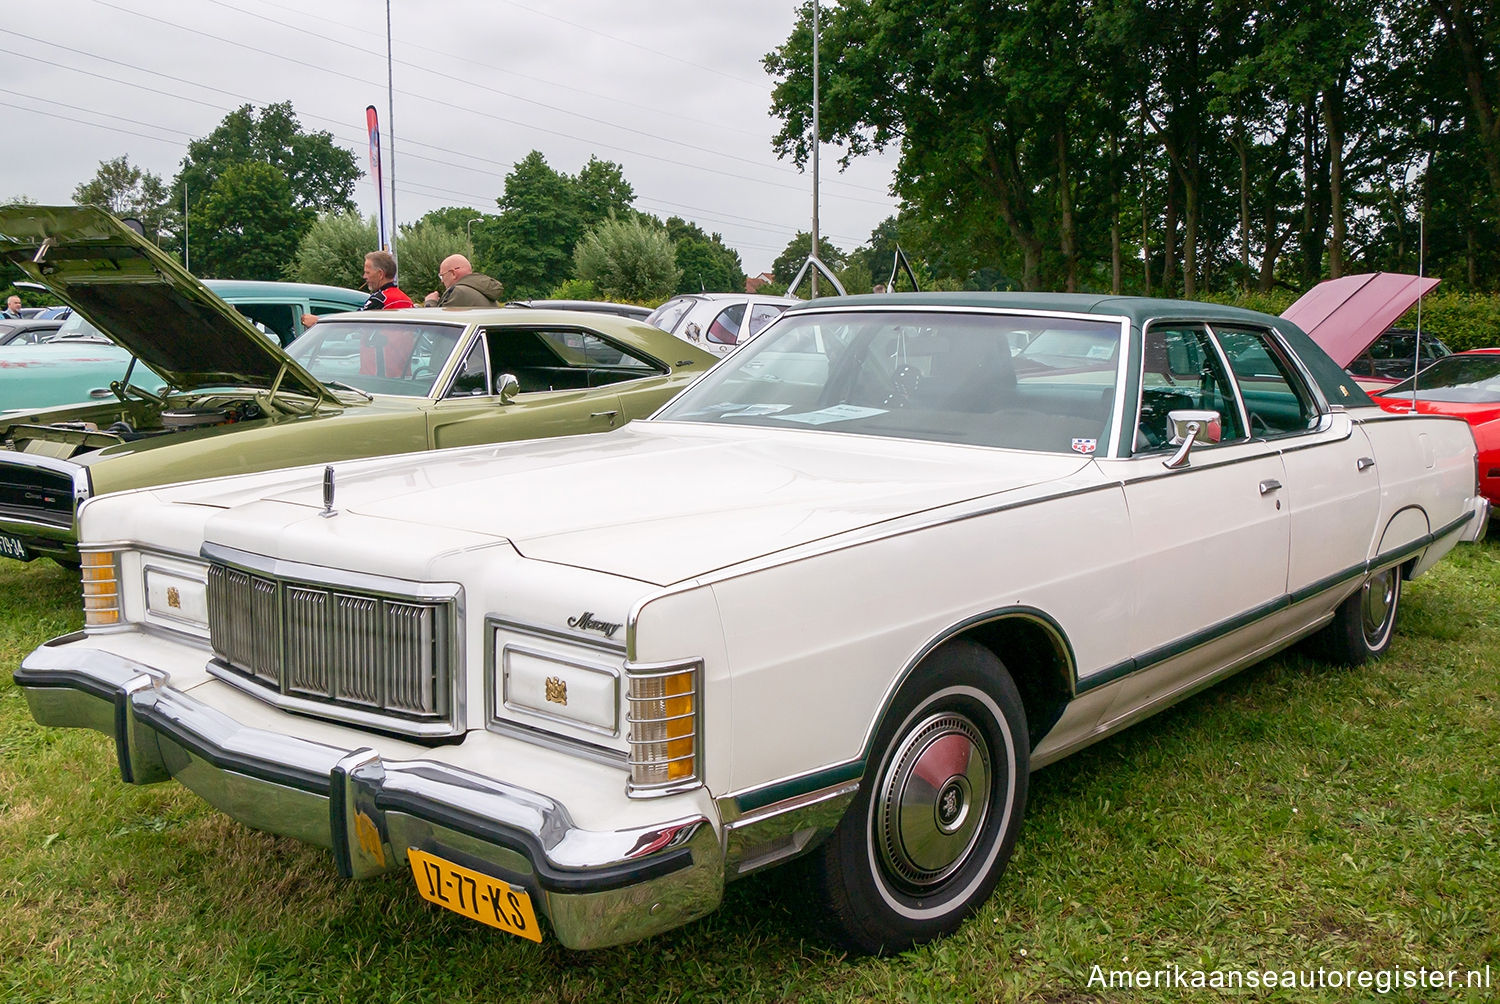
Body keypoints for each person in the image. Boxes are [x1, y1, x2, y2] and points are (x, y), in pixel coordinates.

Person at [302, 251, 412, 328]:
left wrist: (318, 321)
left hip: (379, 358)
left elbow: (354, 322)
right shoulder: (406, 300)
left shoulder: (380, 299)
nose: (364, 277)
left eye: (367, 272)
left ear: (380, 274)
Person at [422, 254, 503, 307]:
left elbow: (439, 327)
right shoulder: (484, 291)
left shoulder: (457, 292)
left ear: (453, 273)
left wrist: (430, 302)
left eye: (442, 276)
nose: (442, 281)